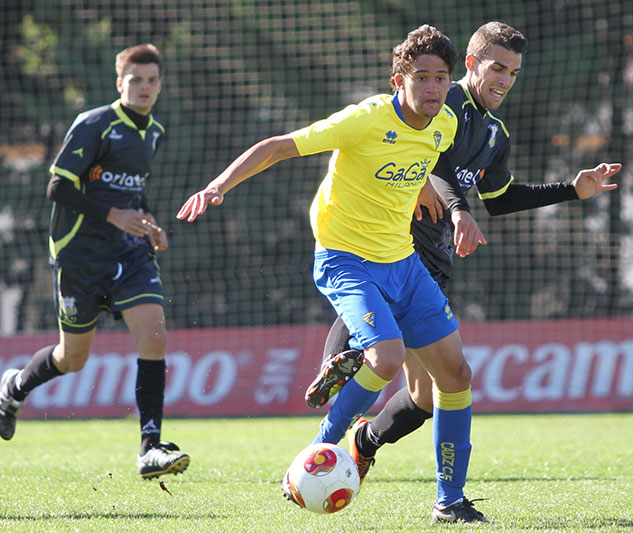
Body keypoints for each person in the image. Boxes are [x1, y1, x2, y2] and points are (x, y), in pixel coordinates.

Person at [177, 25, 490, 524]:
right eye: (422, 78)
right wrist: (219, 186)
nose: (433, 88)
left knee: (455, 375)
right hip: (345, 258)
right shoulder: (364, 119)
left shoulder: (444, 125)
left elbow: (412, 166)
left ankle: (449, 500)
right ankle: (317, 451)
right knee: (386, 357)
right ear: (398, 80)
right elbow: (279, 145)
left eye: (441, 78)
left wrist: (426, 191)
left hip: (404, 264)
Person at [303, 20, 621, 496]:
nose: (505, 80)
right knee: (382, 343)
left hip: (434, 260)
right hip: (390, 247)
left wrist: (572, 190)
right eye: (497, 67)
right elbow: (431, 155)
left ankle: (364, 441)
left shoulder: (494, 133)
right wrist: (454, 206)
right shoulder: (444, 100)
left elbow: (501, 197)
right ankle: (333, 389)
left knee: (426, 396)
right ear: (470, 65)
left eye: (513, 72)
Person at [0, 44, 190, 480]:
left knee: (154, 335)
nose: (144, 87)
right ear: (119, 83)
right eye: (136, 80)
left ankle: (150, 447)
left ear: (159, 84)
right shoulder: (95, 124)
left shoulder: (153, 131)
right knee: (72, 358)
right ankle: (14, 388)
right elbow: (57, 188)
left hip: (128, 252)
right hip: (79, 255)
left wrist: (147, 220)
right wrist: (114, 215)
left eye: (152, 80)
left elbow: (132, 190)